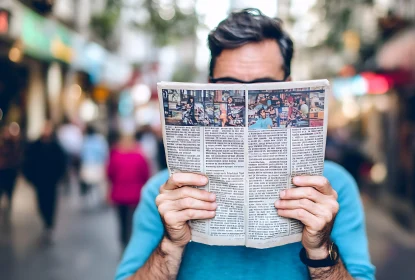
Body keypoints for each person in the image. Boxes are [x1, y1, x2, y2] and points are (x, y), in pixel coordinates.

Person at [116, 8, 374, 280]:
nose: (246, 105)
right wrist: (170, 245)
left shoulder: (335, 187)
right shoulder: (164, 194)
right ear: (208, 89)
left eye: (265, 87)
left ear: (289, 90)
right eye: (229, 87)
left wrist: (320, 248)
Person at [23, 122, 66, 243]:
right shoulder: (35, 146)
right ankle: (46, 223)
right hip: (39, 181)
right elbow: (28, 162)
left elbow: (62, 162)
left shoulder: (56, 146)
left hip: (51, 181)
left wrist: (59, 176)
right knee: (41, 203)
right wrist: (30, 178)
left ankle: (49, 225)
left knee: (51, 203)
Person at [107, 133, 150, 248]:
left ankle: (123, 242)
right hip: (136, 195)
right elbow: (145, 175)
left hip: (119, 194)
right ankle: (133, 243)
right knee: (135, 221)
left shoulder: (115, 156)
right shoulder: (140, 156)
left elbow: (110, 174)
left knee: (122, 221)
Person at [80, 125, 109, 208]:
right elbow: (104, 152)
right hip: (98, 164)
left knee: (89, 184)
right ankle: (100, 199)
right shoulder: (100, 140)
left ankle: (91, 200)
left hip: (88, 164)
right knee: (100, 184)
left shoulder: (85, 140)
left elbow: (82, 153)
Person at [0, 125, 22, 217]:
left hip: (10, 169)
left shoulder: (14, 143)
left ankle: (9, 199)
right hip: (2, 169)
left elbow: (16, 156)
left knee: (10, 187)